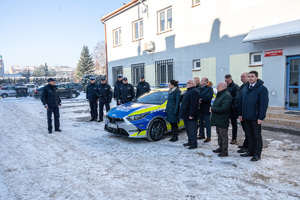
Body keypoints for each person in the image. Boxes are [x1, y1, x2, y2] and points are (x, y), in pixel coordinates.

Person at [238, 71, 268, 161]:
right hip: (246, 116)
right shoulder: (245, 88)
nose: (250, 78)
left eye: (252, 76)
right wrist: (240, 114)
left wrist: (261, 117)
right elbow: (241, 102)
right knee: (249, 135)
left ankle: (257, 154)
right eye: (249, 76)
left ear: (257, 77)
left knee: (256, 136)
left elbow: (263, 104)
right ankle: (250, 151)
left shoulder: (262, 89)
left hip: (255, 117)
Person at [211, 82, 232, 157]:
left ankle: (224, 151)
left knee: (223, 135)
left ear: (223, 87)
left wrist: (213, 109)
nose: (217, 88)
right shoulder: (220, 94)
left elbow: (224, 108)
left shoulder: (226, 95)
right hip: (217, 118)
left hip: (223, 119)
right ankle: (220, 147)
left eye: (218, 86)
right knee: (219, 134)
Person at [180, 79, 200, 149]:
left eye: (189, 83)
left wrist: (191, 114)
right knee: (188, 129)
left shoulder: (194, 91)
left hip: (191, 115)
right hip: (186, 114)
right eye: (187, 82)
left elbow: (194, 105)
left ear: (193, 84)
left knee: (192, 130)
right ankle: (190, 141)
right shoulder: (188, 91)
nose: (187, 84)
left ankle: (194, 143)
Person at [236, 72, 249, 153]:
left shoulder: (248, 87)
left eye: (243, 77)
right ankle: (246, 144)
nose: (242, 78)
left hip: (247, 113)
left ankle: (247, 146)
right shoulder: (242, 87)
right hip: (241, 112)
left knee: (248, 131)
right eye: (241, 77)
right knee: (245, 130)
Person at [197, 77, 214, 142]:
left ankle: (208, 136)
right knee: (200, 122)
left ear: (206, 82)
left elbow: (208, 97)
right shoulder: (199, 88)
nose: (201, 81)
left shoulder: (209, 88)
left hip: (206, 108)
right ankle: (202, 134)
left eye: (202, 80)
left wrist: (201, 100)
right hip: (200, 108)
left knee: (207, 123)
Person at [225, 74, 239, 144]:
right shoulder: (225, 87)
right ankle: (225, 138)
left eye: (227, 81)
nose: (226, 82)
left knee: (234, 124)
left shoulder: (235, 87)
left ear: (231, 79)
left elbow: (237, 97)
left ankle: (234, 138)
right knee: (225, 124)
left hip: (232, 108)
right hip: (226, 108)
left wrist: (228, 99)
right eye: (225, 81)